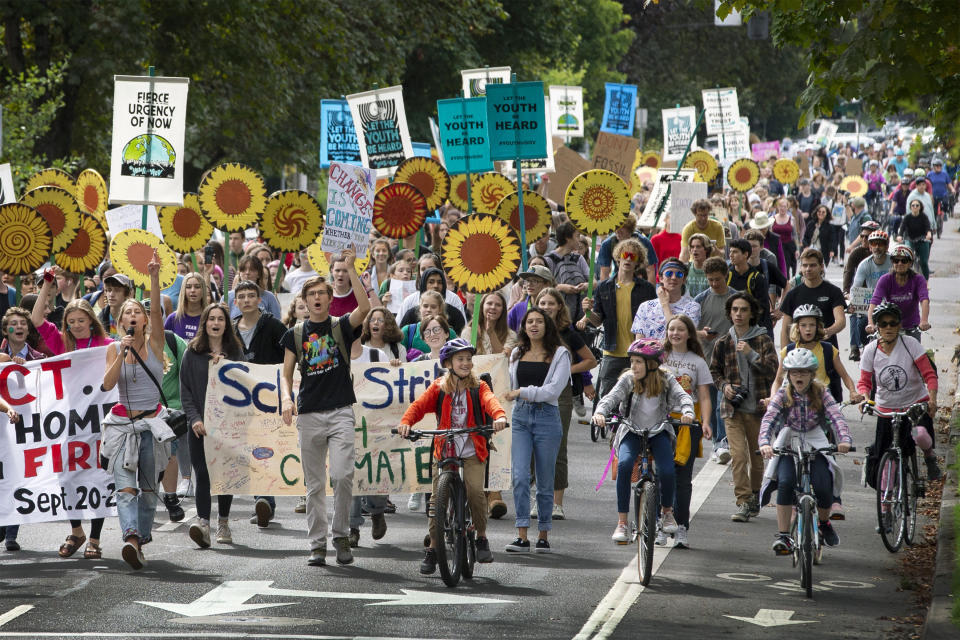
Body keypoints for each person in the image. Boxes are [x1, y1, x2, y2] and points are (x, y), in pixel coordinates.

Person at [279, 246, 371, 567]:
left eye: (322, 293)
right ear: (304, 300)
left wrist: (350, 267)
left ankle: (341, 533)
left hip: (341, 410)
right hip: (309, 414)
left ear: (330, 298)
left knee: (344, 475)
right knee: (315, 484)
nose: (317, 298)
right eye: (311, 294)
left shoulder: (341, 326)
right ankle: (317, 544)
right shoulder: (296, 333)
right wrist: (287, 398)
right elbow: (286, 373)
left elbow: (365, 306)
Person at [397, 338, 508, 573]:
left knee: (475, 491)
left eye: (469, 359)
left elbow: (491, 403)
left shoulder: (479, 386)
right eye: (460, 359)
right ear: (448, 362)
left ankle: (481, 537)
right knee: (437, 500)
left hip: (472, 448)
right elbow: (418, 406)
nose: (466, 363)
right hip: (445, 448)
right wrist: (406, 422)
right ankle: (434, 547)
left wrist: (498, 417)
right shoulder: (438, 387)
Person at [99, 251, 174, 570]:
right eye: (127, 312)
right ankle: (130, 538)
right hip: (120, 427)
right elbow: (106, 385)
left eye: (137, 312)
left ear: (143, 320)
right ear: (121, 321)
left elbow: (157, 310)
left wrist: (154, 277)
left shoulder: (156, 342)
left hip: (150, 428)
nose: (133, 315)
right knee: (125, 488)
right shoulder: (114, 347)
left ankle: (140, 538)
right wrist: (122, 354)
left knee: (146, 490)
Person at [31, 273, 114, 559]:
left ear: (91, 320)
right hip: (69, 422)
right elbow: (37, 321)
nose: (76, 325)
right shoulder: (62, 345)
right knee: (67, 477)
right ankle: (76, 530)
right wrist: (47, 286)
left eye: (81, 320)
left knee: (100, 477)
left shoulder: (108, 345)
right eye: (71, 321)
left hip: (101, 422)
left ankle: (95, 538)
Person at [593, 338, 695, 543]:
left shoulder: (666, 379)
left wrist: (687, 412)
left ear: (653, 364)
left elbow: (683, 397)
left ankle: (666, 512)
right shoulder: (628, 379)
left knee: (667, 470)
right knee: (624, 465)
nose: (633, 366)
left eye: (639, 362)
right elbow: (610, 398)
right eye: (632, 362)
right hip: (631, 430)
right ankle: (622, 522)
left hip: (658, 431)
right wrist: (600, 413)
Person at [759, 348, 852, 554]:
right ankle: (784, 536)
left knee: (823, 484)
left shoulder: (821, 392)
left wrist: (844, 440)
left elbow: (836, 417)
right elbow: (769, 419)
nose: (798, 376)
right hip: (789, 441)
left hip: (815, 440)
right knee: (785, 482)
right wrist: (765, 442)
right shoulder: (783, 394)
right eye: (794, 372)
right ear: (788, 375)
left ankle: (824, 523)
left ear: (812, 374)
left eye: (803, 372)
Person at [503, 307, 571, 553]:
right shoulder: (516, 353)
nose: (533, 325)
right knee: (520, 476)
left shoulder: (560, 353)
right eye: (529, 321)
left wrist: (523, 392)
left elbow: (553, 391)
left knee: (545, 479)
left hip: (547, 417)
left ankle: (543, 533)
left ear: (547, 326)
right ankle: (522, 534)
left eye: (539, 321)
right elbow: (507, 385)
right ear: (523, 327)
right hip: (520, 416)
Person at [709, 292, 779, 522]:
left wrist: (751, 355)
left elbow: (773, 371)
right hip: (732, 409)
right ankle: (743, 501)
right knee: (738, 456)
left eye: (743, 310)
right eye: (735, 310)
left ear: (752, 313)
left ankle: (756, 495)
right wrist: (724, 386)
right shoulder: (723, 342)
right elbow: (715, 371)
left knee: (757, 459)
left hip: (758, 408)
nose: (739, 314)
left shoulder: (763, 339)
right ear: (729, 313)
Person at [858, 302, 941, 494]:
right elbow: (864, 382)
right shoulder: (870, 350)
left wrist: (932, 400)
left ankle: (929, 457)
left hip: (914, 409)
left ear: (899, 325)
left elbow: (929, 375)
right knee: (887, 460)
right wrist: (864, 399)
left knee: (918, 434)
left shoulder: (910, 345)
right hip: (887, 411)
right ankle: (886, 510)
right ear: (877, 326)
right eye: (883, 323)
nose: (888, 327)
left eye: (893, 323)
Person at [180, 303, 245, 547]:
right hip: (200, 426)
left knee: (225, 473)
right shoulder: (192, 351)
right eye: (211, 319)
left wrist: (225, 366)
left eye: (221, 319)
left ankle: (224, 522)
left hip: (228, 425)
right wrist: (194, 418)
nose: (216, 323)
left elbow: (245, 384)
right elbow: (185, 389)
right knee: (204, 473)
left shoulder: (236, 352)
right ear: (204, 323)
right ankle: (204, 524)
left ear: (226, 325)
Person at [535, 288, 597, 519]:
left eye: (551, 303)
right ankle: (539, 499)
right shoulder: (531, 331)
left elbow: (590, 360)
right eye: (542, 303)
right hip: (533, 393)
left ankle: (556, 503)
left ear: (560, 307)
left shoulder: (568, 334)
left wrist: (565, 370)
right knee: (533, 447)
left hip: (561, 395)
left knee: (556, 447)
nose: (547, 307)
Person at [232, 280, 288, 527]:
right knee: (250, 450)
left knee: (265, 448)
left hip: (269, 399)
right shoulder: (230, 330)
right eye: (241, 296)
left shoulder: (273, 326)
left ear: (259, 300)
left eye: (251, 296)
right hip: (240, 402)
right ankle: (262, 499)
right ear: (235, 302)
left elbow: (290, 352)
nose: (246, 300)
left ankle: (265, 499)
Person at [578, 238, 656, 397]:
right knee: (607, 398)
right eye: (625, 254)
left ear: (638, 262)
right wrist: (587, 313)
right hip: (611, 352)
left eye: (633, 257)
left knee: (636, 398)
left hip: (638, 353)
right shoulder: (604, 286)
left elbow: (653, 321)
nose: (628, 259)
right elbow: (598, 320)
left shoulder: (646, 289)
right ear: (618, 257)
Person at [660, 316, 713, 547]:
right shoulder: (658, 357)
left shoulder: (698, 362)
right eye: (671, 329)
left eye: (680, 329)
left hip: (687, 426)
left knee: (682, 479)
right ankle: (660, 524)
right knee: (661, 475)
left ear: (689, 333)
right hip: (660, 423)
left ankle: (681, 527)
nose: (675, 333)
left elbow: (703, 396)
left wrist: (706, 422)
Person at [695, 257, 737, 464]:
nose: (713, 284)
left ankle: (722, 443)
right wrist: (701, 334)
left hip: (728, 359)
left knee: (723, 399)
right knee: (709, 402)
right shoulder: (701, 299)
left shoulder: (737, 299)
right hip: (705, 359)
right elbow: (688, 329)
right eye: (710, 280)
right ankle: (716, 443)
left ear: (726, 276)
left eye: (718, 280)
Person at [779, 249, 846, 349]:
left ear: (821, 267)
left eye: (812, 265)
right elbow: (785, 330)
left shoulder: (833, 291)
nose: (808, 269)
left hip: (827, 349)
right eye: (805, 265)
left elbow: (841, 321)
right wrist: (784, 357)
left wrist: (826, 332)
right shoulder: (792, 295)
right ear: (800, 267)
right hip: (799, 353)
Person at [867, 244, 930, 341]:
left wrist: (924, 321)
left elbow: (924, 299)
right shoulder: (885, 279)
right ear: (892, 262)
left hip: (911, 326)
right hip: (889, 326)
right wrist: (871, 323)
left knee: (914, 354)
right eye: (896, 261)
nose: (899, 263)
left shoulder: (918, 279)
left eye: (904, 261)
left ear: (910, 263)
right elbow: (875, 301)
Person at [631, 259, 700, 340]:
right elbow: (639, 343)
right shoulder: (645, 307)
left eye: (679, 274)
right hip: (650, 352)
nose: (674, 277)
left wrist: (665, 305)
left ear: (684, 280)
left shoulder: (693, 307)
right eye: (669, 273)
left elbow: (678, 333)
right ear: (660, 278)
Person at [847, 228, 890, 361]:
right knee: (861, 324)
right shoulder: (864, 265)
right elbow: (856, 287)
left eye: (880, 244)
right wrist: (852, 302)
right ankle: (865, 351)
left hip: (890, 302)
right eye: (874, 244)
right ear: (870, 247)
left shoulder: (893, 262)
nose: (877, 247)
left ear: (887, 246)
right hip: (871, 303)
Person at [725, 239, 772, 336]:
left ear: (745, 254)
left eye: (735, 252)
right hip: (730, 328)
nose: (731, 255)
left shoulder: (757, 278)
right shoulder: (726, 275)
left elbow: (762, 308)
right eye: (730, 252)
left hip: (752, 329)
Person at [596, 215, 658, 282]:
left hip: (640, 281)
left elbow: (650, 270)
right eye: (616, 227)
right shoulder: (608, 244)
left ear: (630, 228)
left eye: (622, 227)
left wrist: (650, 291)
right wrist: (606, 291)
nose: (617, 231)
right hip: (618, 280)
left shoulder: (643, 241)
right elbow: (604, 274)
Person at [463, 291, 517, 357]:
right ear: (482, 306)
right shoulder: (469, 331)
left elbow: (504, 359)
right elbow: (465, 359)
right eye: (489, 303)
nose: (493, 307)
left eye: (498, 305)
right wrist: (476, 339)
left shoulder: (510, 335)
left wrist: (491, 333)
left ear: (503, 310)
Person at [506, 265, 554, 332]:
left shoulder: (553, 308)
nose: (529, 284)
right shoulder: (518, 308)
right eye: (527, 281)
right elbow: (506, 334)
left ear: (547, 284)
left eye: (534, 281)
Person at [164, 272, 210, 340]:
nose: (193, 290)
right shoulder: (173, 318)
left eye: (197, 287)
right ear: (183, 290)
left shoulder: (210, 318)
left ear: (203, 290)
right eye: (188, 287)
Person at [897, 199, 932, 279]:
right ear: (910, 207)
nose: (915, 207)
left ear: (920, 207)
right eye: (913, 205)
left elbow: (927, 227)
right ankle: (905, 278)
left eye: (917, 205)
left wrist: (928, 233)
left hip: (922, 240)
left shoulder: (924, 217)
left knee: (924, 262)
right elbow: (902, 228)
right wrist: (900, 236)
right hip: (910, 239)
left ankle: (926, 281)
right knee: (906, 258)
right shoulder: (907, 217)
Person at [684, 233, 712, 298]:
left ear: (706, 249)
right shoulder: (685, 268)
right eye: (692, 247)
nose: (695, 249)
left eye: (698, 246)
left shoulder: (713, 269)